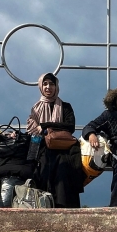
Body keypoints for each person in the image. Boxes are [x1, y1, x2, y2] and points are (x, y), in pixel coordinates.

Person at [27, 73, 84, 208]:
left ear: (56, 86)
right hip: (43, 148)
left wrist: (46, 126)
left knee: (64, 174)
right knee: (43, 171)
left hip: (64, 149)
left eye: (51, 84)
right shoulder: (36, 109)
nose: (48, 87)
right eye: (45, 84)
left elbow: (70, 126)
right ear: (41, 86)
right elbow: (32, 132)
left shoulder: (65, 106)